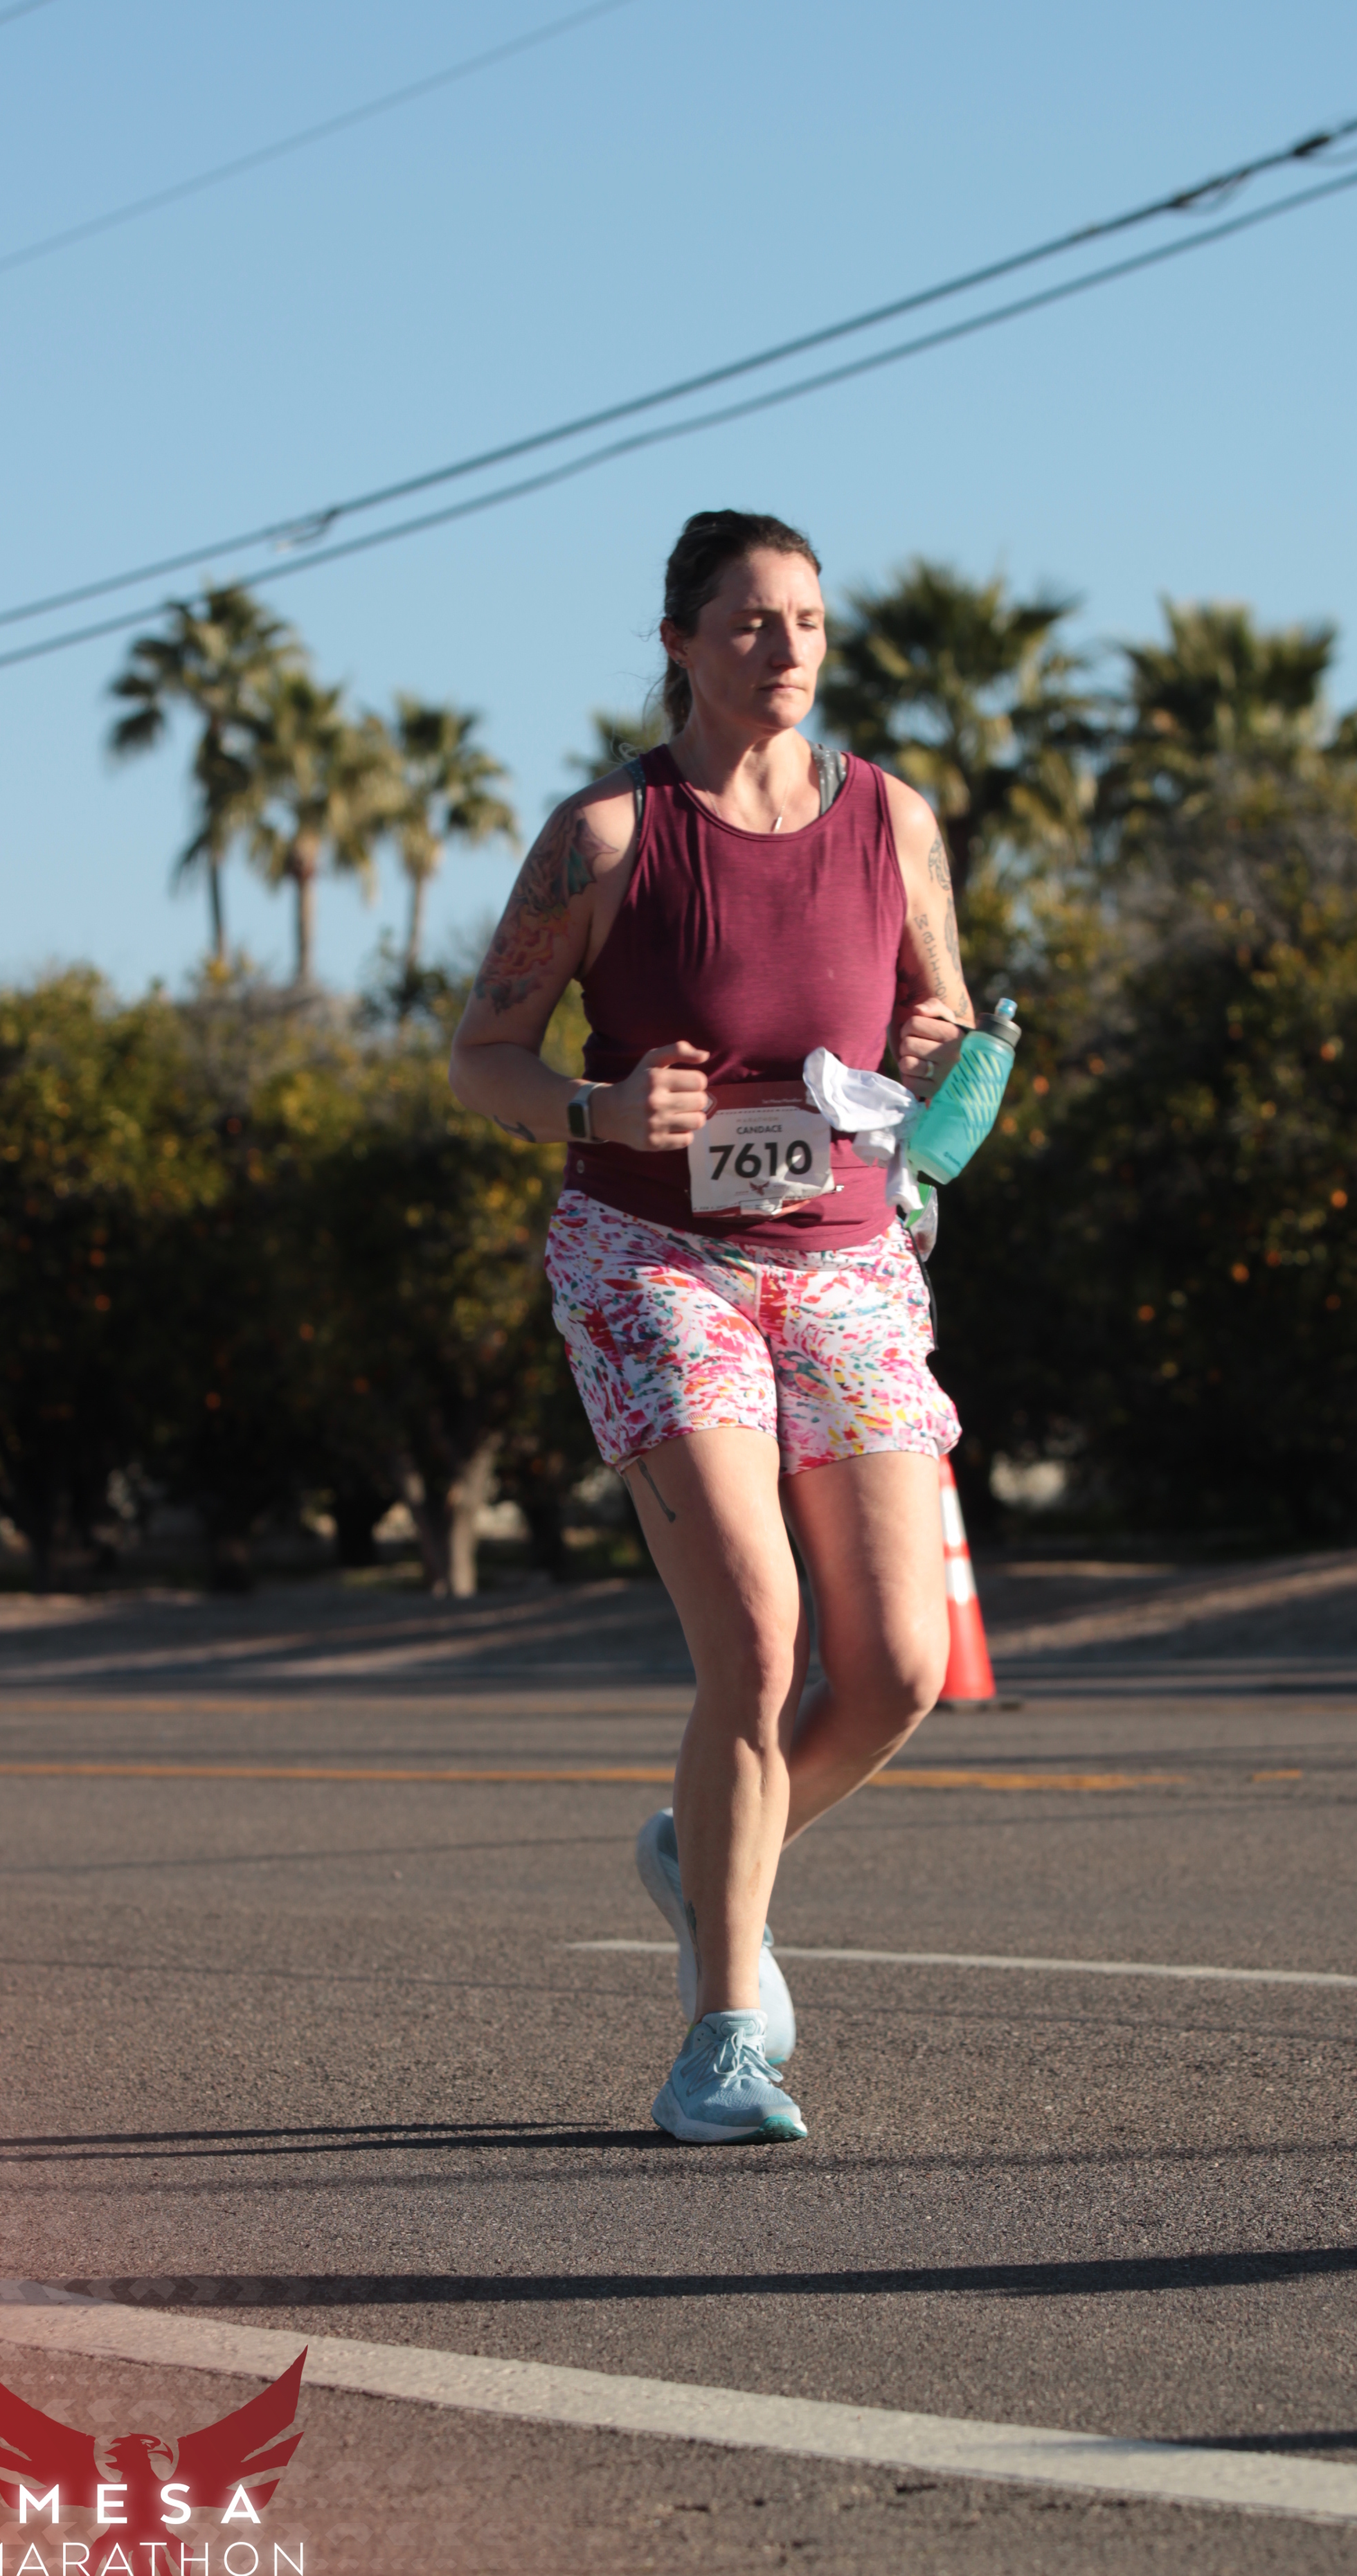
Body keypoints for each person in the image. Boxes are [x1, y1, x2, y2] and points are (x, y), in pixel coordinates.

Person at [449, 508, 973, 2143]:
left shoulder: (891, 820)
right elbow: (479, 1056)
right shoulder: (608, 835)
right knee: (755, 1640)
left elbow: (937, 1006)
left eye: (805, 620)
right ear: (678, 642)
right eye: (748, 622)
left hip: (847, 1257)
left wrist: (937, 1057)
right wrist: (597, 1107)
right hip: (651, 1260)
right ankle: (720, 2040)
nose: (784, 648)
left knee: (894, 1670)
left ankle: (705, 1855)